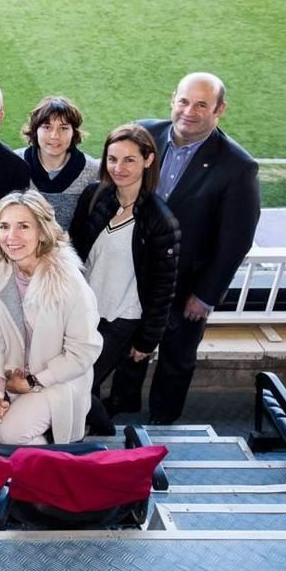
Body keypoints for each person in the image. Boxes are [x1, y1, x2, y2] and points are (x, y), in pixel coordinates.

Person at [133, 72, 260, 423]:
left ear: (219, 110)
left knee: (176, 359)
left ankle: (163, 424)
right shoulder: (143, 135)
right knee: (127, 350)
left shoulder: (238, 166)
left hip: (185, 286)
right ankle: (120, 413)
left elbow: (236, 240)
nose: (190, 111)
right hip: (133, 275)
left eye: (202, 104)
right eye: (185, 101)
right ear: (173, 99)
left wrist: (205, 295)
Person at [70, 124, 180, 431]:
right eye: (112, 158)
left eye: (129, 160)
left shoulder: (160, 220)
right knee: (78, 384)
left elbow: (163, 287)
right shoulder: (95, 195)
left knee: (79, 383)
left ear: (148, 160)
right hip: (83, 313)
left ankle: (104, 436)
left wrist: (146, 340)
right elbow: (75, 251)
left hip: (121, 319)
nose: (118, 168)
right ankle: (82, 437)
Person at [0, 192, 102, 445]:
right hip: (11, 376)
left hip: (56, 380)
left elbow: (85, 350)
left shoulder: (68, 281)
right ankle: (14, 479)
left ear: (42, 232)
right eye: (4, 226)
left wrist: (34, 381)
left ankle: (46, 479)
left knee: (11, 434)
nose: (11, 237)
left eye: (23, 226)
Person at [21, 96, 99, 229]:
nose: (54, 136)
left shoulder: (92, 171)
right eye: (47, 127)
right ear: (35, 130)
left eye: (63, 128)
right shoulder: (15, 163)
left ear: (74, 132)